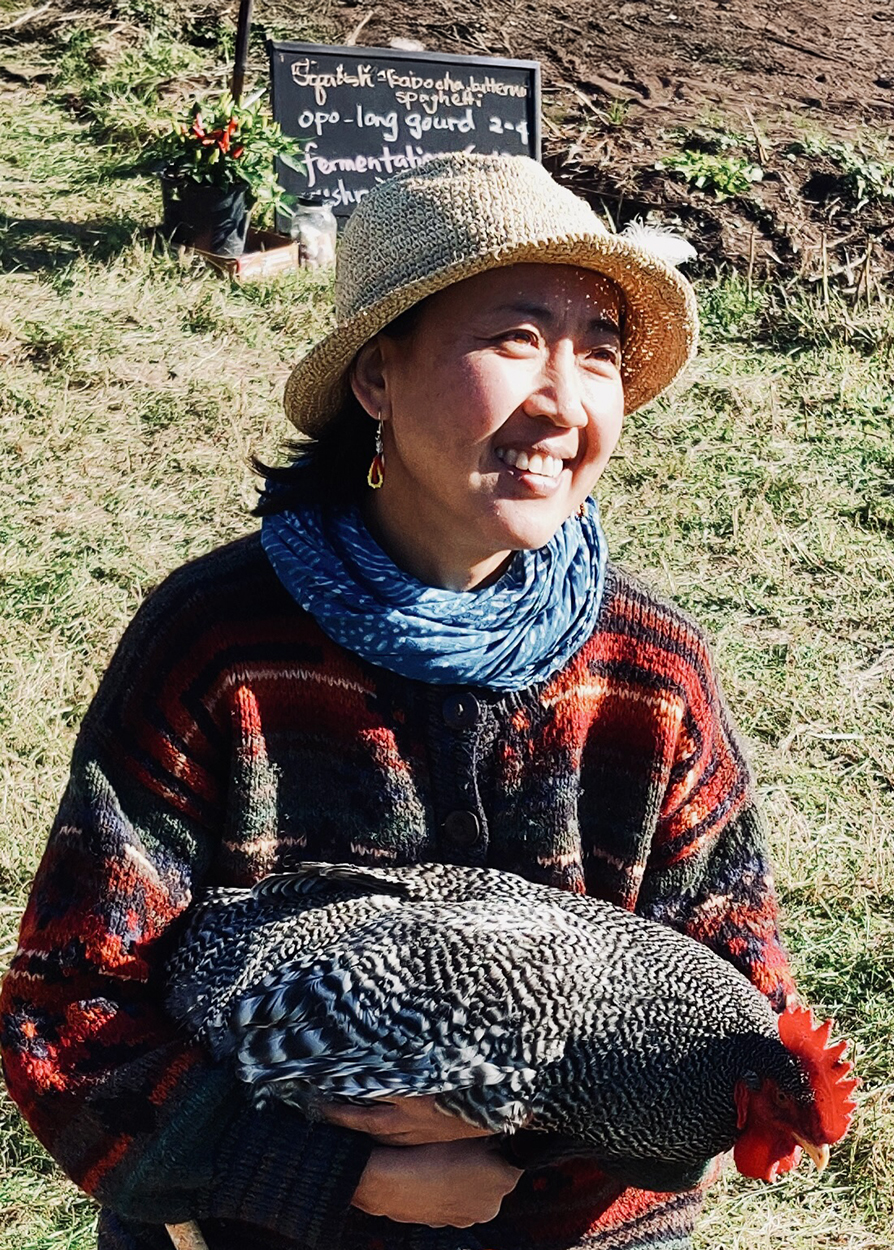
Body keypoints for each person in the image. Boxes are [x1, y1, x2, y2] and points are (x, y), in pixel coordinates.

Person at [0, 153, 796, 1250]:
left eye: (600, 353)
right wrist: (343, 1173)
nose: (563, 401)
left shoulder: (651, 670)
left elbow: (741, 991)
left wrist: (543, 1128)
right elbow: (70, 1011)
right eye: (514, 339)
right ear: (376, 378)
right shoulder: (221, 642)